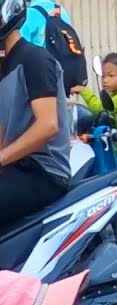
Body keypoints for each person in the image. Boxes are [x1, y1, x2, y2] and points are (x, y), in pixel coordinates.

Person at [0, 0, 70, 226]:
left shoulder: (34, 59)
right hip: (19, 167)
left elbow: (48, 125)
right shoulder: (7, 67)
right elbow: (4, 128)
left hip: (44, 172)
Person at [73, 52, 117, 165]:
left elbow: (99, 108)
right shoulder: (115, 96)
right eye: (103, 76)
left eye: (111, 76)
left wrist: (83, 91)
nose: (105, 80)